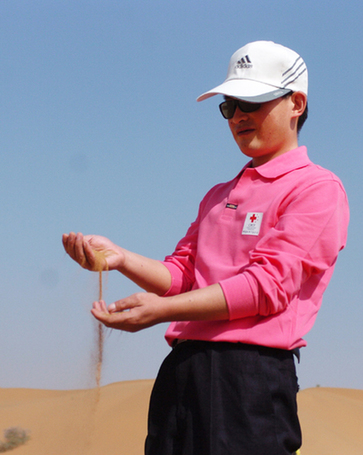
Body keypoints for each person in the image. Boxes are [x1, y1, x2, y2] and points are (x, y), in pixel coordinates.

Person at [63, 41, 349, 455]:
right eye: (229, 106)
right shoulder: (219, 194)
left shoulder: (317, 188)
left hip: (248, 381)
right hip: (181, 374)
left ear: (296, 103)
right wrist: (121, 258)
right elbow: (182, 276)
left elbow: (266, 287)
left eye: (252, 100)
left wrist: (160, 312)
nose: (238, 116)